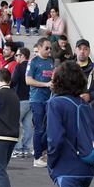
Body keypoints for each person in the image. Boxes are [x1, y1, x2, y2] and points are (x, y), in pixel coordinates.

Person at [47, 61, 94, 187]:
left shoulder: (56, 103)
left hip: (67, 170)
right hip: (86, 168)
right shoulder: (84, 104)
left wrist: (51, 163)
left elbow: (55, 139)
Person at [26, 37, 54, 167]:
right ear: (39, 47)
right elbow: (28, 80)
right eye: (46, 48)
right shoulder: (33, 62)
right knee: (39, 128)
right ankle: (37, 157)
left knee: (49, 128)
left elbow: (51, 79)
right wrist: (45, 84)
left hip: (49, 99)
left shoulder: (51, 61)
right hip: (37, 99)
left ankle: (41, 151)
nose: (49, 50)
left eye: (50, 48)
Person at [10, 47, 33, 157]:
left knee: (15, 123)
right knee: (28, 125)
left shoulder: (18, 67)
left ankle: (18, 148)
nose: (16, 57)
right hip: (32, 99)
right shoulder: (32, 66)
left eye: (17, 55)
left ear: (22, 56)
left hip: (20, 99)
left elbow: (13, 81)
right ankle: (26, 148)